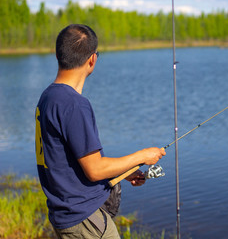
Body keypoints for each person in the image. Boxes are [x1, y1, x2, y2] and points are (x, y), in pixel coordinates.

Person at [35, 24, 166, 238]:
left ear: (58, 55)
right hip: (84, 219)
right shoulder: (74, 104)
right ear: (92, 60)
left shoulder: (48, 97)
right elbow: (95, 169)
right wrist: (142, 156)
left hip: (65, 215)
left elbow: (71, 163)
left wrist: (123, 172)